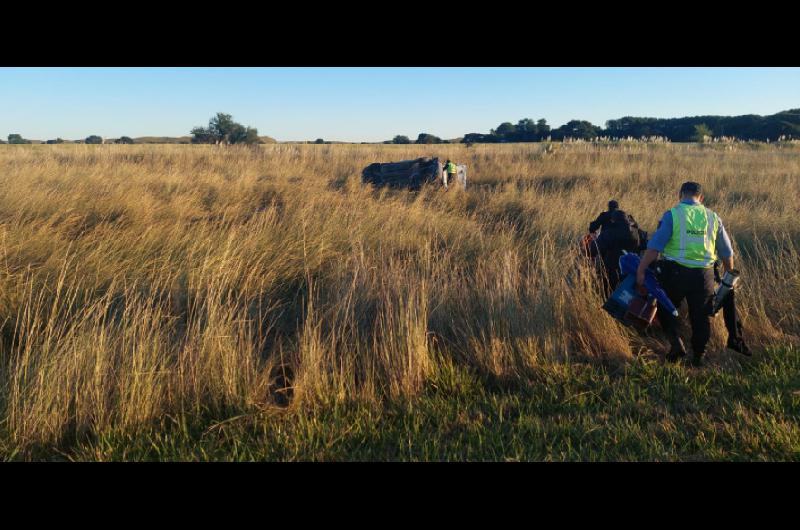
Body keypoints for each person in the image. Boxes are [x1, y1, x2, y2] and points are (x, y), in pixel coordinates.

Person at [636, 181, 737, 367]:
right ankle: (698, 357)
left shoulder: (673, 215)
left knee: (666, 308)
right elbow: (727, 252)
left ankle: (676, 345)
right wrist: (729, 278)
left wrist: (641, 270)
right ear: (701, 198)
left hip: (675, 273)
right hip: (704, 275)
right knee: (701, 317)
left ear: (680, 195)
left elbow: (655, 248)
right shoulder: (713, 217)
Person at [589, 201, 642, 292]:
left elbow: (593, 249)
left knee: (606, 287)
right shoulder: (635, 231)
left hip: (612, 267)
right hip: (631, 268)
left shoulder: (610, 231)